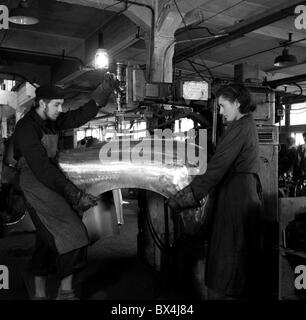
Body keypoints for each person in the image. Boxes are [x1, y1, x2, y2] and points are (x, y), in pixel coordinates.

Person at [12, 73, 119, 300]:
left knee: (46, 240)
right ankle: (66, 293)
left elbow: (79, 116)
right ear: (42, 103)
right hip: (35, 182)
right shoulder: (26, 128)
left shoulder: (52, 121)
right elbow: (41, 168)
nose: (61, 109)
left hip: (49, 177)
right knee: (74, 236)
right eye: (57, 104)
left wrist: (102, 93)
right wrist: (74, 195)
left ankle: (39, 293)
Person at [167, 84, 263, 300]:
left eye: (222, 106)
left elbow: (217, 169)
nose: (220, 112)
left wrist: (185, 198)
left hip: (237, 198)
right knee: (235, 258)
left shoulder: (241, 127)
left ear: (237, 103)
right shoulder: (244, 125)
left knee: (231, 258)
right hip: (240, 193)